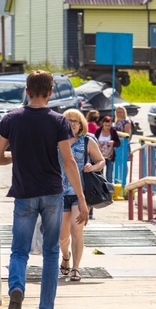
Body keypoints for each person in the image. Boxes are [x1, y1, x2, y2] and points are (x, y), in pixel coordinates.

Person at [0, 70, 88, 309]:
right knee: (51, 252)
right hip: (53, 194)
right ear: (50, 92)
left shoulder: (12, 119)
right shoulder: (59, 121)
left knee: (19, 250)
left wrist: (18, 157)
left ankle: (16, 288)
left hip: (24, 194)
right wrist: (81, 198)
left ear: (26, 90)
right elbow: (68, 162)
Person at [58, 109, 105, 281]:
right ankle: (65, 256)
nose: (72, 124)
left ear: (81, 124)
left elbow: (101, 160)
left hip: (81, 193)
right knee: (62, 236)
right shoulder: (56, 141)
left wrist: (93, 167)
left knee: (76, 230)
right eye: (68, 120)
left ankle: (76, 268)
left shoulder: (87, 141)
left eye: (75, 121)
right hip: (59, 193)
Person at [95, 116, 121, 184]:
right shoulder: (98, 131)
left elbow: (118, 143)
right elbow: (93, 141)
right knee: (100, 174)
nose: (107, 127)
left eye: (109, 125)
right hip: (99, 156)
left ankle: (109, 191)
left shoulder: (113, 131)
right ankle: (100, 190)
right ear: (102, 124)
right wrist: (98, 144)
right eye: (106, 125)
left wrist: (113, 143)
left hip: (109, 156)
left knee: (109, 174)